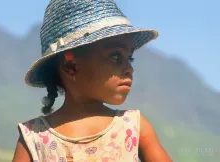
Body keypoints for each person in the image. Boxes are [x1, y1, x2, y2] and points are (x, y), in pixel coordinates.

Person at [13, 0, 172, 162]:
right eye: (116, 56)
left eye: (129, 57)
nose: (129, 68)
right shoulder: (33, 138)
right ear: (71, 65)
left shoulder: (134, 127)